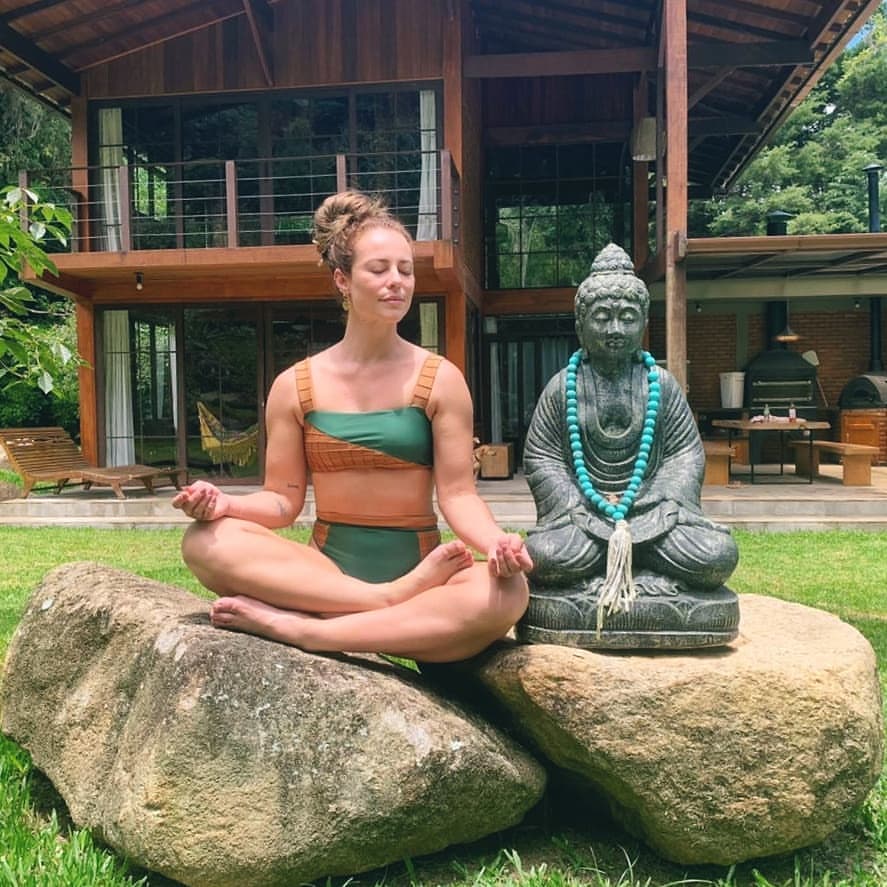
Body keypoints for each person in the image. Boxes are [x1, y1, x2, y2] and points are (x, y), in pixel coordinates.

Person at [173, 190, 531, 663]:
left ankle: (309, 632)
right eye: (378, 270)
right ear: (342, 279)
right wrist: (224, 505)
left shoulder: (440, 378)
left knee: (509, 592)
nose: (396, 282)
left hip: (422, 566)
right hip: (327, 572)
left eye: (405, 270)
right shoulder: (294, 385)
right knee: (204, 541)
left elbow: (459, 495)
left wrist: (497, 544)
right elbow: (282, 501)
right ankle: (380, 607)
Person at [523, 243, 738, 608]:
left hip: (654, 514)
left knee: (717, 555)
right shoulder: (564, 386)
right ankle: (634, 572)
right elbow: (542, 458)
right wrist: (577, 506)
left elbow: (685, 455)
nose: (615, 329)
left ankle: (630, 572)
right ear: (580, 325)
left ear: (644, 322)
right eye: (602, 317)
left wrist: (662, 502)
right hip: (584, 517)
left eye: (626, 317)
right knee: (543, 556)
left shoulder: (661, 384)